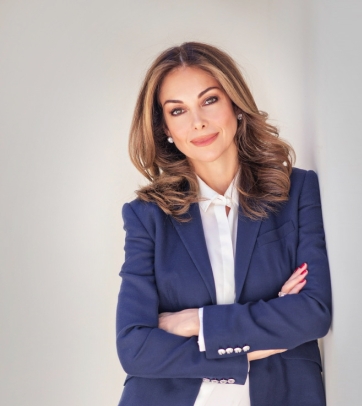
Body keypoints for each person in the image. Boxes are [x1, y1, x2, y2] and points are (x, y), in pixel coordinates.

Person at [116, 42, 332, 406]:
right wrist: (260, 336)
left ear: (235, 103)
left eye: (209, 100)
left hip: (281, 393)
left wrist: (196, 322)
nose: (197, 121)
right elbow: (134, 348)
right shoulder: (147, 216)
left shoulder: (296, 192)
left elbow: (313, 313)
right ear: (165, 127)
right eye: (178, 110)